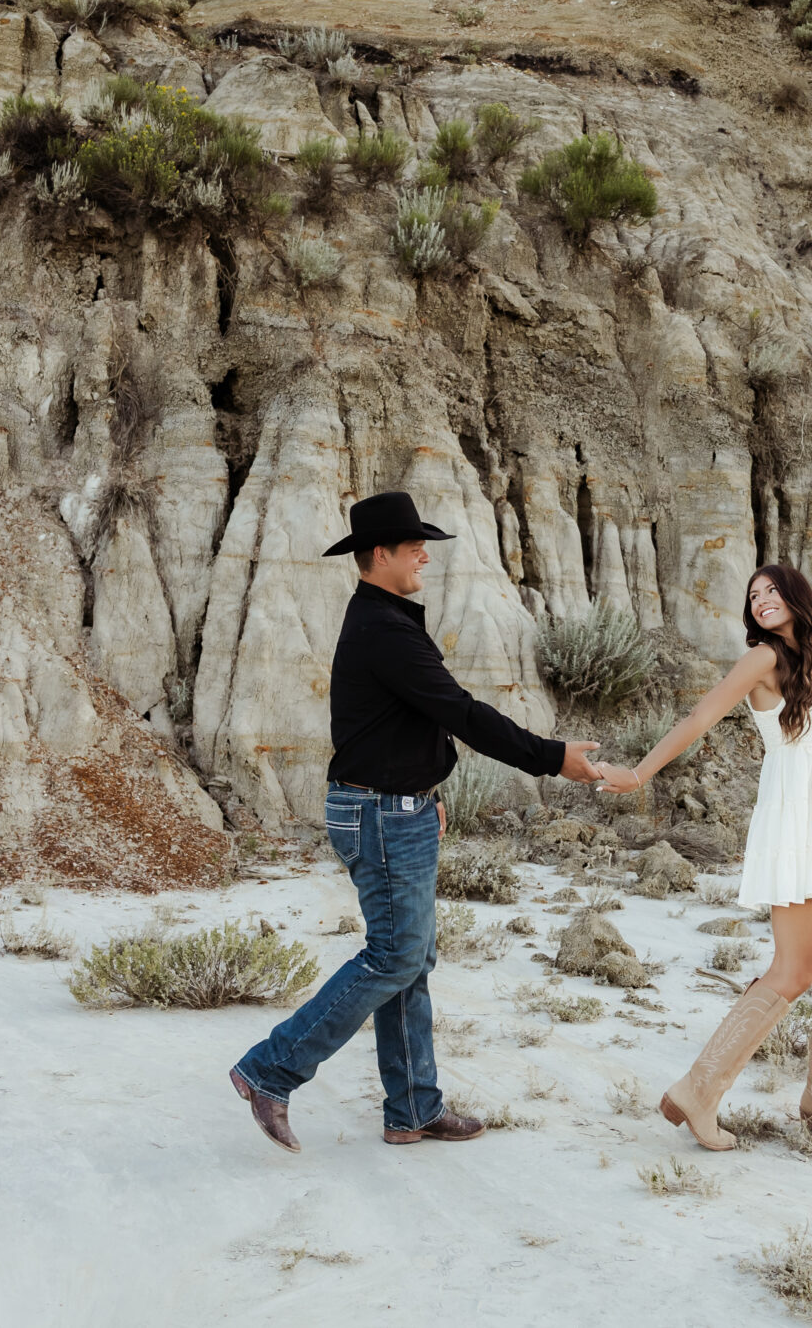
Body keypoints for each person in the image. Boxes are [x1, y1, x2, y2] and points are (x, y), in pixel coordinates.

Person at [229, 490, 603, 1153]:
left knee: (411, 959)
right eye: (412, 546)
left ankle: (411, 1107)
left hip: (392, 807)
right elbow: (459, 710)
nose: (424, 554)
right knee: (396, 954)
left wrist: (426, 791)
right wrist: (552, 757)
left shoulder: (385, 619)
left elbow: (410, 720)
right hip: (378, 813)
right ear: (379, 555)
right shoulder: (383, 628)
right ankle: (270, 1069)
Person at [595, 562, 812, 1150]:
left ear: (796, 597)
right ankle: (699, 1091)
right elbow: (700, 717)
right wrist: (638, 773)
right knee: (793, 969)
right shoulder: (762, 660)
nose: (760, 601)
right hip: (797, 818)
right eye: (753, 596)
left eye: (770, 591)